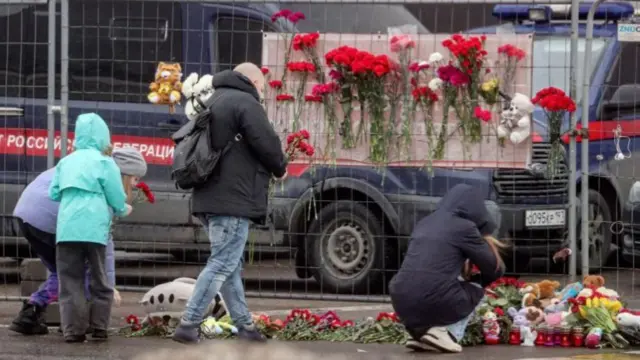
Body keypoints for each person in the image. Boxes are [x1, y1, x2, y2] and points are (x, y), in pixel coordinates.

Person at [172, 62, 287, 344]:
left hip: (210, 198)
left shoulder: (214, 99)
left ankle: (245, 327)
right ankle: (189, 323)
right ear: (253, 81)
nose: (261, 92)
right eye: (261, 86)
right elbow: (268, 144)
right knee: (222, 264)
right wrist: (280, 166)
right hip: (233, 199)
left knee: (230, 266)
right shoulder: (245, 102)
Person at [9, 146, 147, 336]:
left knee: (62, 273)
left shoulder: (87, 164)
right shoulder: (105, 183)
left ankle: (31, 313)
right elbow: (104, 241)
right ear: (124, 173)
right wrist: (109, 284)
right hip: (50, 219)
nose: (137, 184)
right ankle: (79, 322)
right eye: (136, 178)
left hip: (26, 215)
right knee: (78, 272)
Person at [389, 183, 506, 353]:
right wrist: (479, 281)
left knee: (438, 284)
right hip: (432, 298)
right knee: (475, 290)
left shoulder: (424, 222)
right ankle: (449, 335)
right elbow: (494, 269)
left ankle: (420, 334)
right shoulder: (465, 227)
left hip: (399, 298)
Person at [49, 113, 134, 343]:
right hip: (95, 229)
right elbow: (116, 198)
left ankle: (73, 330)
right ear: (102, 136)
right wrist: (123, 208)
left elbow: (53, 192)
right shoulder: (105, 162)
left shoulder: (66, 161)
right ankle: (99, 327)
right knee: (100, 277)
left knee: (70, 280)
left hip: (67, 228)